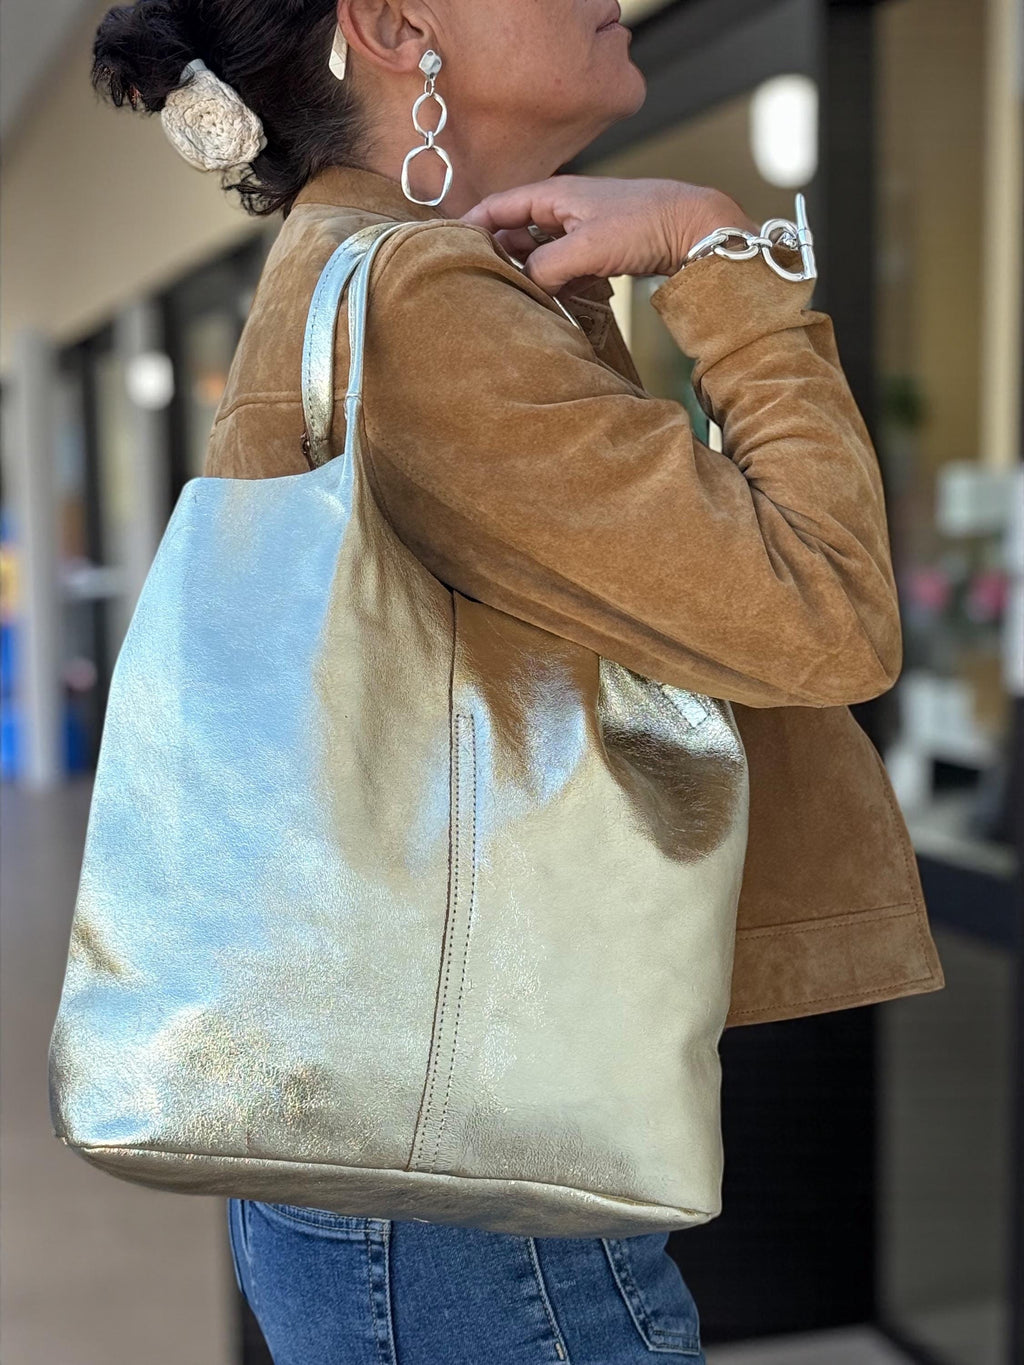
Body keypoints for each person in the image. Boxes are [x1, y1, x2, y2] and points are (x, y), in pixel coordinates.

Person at [91, 0, 944, 1360]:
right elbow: (825, 612)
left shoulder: (361, 278)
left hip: (400, 1128)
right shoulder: (423, 302)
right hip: (469, 1171)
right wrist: (717, 248)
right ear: (387, 24)